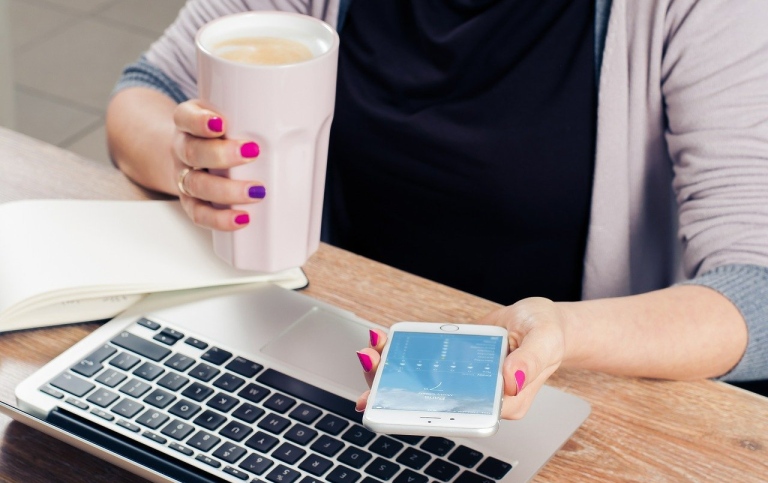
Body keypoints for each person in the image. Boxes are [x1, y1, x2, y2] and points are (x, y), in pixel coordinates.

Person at [106, 0, 768, 415]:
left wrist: (563, 334)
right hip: (325, 357)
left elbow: (755, 286)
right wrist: (191, 163)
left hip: (559, 401)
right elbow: (143, 93)